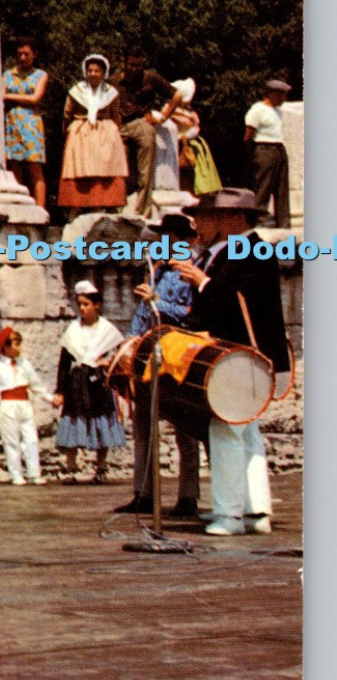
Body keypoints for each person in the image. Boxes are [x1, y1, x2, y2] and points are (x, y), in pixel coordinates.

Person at [173, 188, 291, 535]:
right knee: (246, 432)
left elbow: (239, 301)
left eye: (221, 215)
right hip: (238, 356)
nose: (214, 221)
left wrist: (203, 281)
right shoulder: (232, 251)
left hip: (246, 357)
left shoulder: (254, 251)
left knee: (225, 429)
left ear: (240, 218)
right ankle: (255, 509)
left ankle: (230, 514)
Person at [114, 213, 204, 518]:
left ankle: (189, 495)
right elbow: (143, 312)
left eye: (169, 238)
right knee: (143, 426)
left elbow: (192, 313)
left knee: (185, 428)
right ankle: (143, 492)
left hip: (178, 353)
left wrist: (158, 301)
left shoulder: (191, 271)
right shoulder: (156, 270)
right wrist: (130, 341)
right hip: (149, 354)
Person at [52, 280, 126, 483]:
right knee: (73, 418)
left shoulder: (107, 330)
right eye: (80, 304)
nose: (82, 308)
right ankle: (71, 466)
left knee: (101, 417)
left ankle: (101, 467)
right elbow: (64, 361)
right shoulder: (73, 330)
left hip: (98, 381)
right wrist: (60, 390)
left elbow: (119, 356)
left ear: (96, 305)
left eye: (86, 304)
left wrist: (107, 362)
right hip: (77, 381)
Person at [0, 327, 54, 485]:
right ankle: (16, 474)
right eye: (16, 344)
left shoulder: (24, 364)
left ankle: (34, 473)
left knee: (31, 439)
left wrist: (50, 398)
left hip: (24, 404)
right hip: (8, 405)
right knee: (11, 440)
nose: (20, 348)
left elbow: (36, 385)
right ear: (6, 347)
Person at [111, 54, 183, 219]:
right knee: (119, 169)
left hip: (142, 121)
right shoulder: (113, 81)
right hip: (120, 125)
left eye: (138, 65)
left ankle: (141, 213)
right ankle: (117, 210)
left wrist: (163, 117)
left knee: (146, 171)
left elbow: (177, 95)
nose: (135, 69)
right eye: (132, 65)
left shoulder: (150, 77)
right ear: (123, 63)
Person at [58, 55, 128, 212]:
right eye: (90, 71)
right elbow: (67, 113)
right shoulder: (77, 91)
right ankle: (76, 207)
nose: (93, 74)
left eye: (97, 71)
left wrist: (114, 133)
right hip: (81, 130)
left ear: (104, 73)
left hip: (104, 130)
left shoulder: (110, 93)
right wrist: (69, 130)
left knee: (105, 165)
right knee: (77, 166)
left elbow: (116, 114)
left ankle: (103, 204)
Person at [4, 39, 49, 209]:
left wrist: (10, 96)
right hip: (13, 122)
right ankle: (18, 207)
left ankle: (41, 209)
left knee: (34, 167)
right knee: (15, 166)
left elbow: (35, 98)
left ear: (34, 55)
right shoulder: (8, 75)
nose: (22, 58)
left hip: (31, 122)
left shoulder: (40, 75)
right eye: (19, 54)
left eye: (26, 54)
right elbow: (0, 96)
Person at [244, 78, 292, 228]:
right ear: (271, 94)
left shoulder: (278, 111)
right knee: (264, 185)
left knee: (281, 187)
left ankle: (283, 221)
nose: (283, 98)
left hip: (279, 147)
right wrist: (253, 153)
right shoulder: (258, 109)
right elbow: (248, 135)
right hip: (264, 147)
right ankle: (259, 219)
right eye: (281, 94)